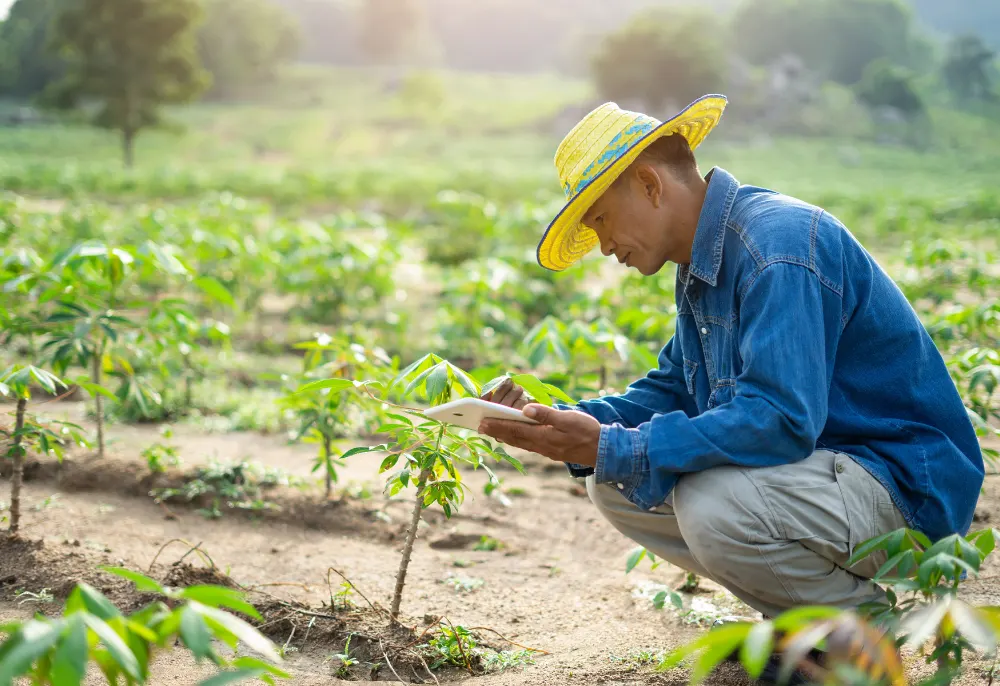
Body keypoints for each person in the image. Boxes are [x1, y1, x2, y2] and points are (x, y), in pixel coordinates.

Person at [477, 96, 983, 627]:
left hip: (903, 488)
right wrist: (553, 422)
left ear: (649, 185)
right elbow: (672, 388)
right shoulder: (701, 262)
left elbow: (780, 420)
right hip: (825, 477)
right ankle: (806, 617)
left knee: (710, 502)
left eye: (601, 219)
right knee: (609, 479)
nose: (603, 245)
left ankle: (857, 633)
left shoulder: (777, 248)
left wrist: (614, 444)